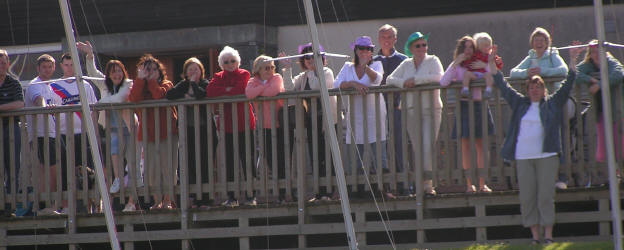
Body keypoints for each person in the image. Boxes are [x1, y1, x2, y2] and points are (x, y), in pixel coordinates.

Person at [492, 41, 582, 245]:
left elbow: (568, 84)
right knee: (527, 198)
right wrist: (491, 62)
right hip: (523, 157)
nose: (534, 90)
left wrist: (573, 60)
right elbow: (503, 86)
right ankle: (535, 237)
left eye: (538, 87)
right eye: (531, 87)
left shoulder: (551, 104)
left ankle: (548, 235)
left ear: (543, 90)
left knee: (545, 196)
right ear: (527, 89)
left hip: (547, 156)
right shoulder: (520, 103)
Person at [77, 41, 140, 212]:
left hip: (129, 129)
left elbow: (119, 99)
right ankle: (112, 200)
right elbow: (92, 72)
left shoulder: (128, 84)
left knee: (132, 164)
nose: (117, 74)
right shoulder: (104, 85)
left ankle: (131, 203)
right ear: (109, 75)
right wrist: (90, 55)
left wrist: (99, 103)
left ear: (123, 72)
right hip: (112, 130)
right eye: (113, 72)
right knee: (112, 160)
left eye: (119, 71)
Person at [386, 32, 443, 196]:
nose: (422, 48)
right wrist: (404, 82)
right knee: (418, 149)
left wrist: (415, 80)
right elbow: (390, 79)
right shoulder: (406, 64)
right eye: (418, 45)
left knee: (427, 147)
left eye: (424, 45)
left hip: (431, 110)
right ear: (411, 48)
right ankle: (422, 186)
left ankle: (428, 186)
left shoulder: (433, 60)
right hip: (411, 110)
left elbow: (439, 77)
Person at [335, 36, 389, 196]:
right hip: (355, 116)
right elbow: (337, 84)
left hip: (375, 115)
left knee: (379, 152)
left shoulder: (377, 64)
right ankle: (356, 191)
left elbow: (377, 80)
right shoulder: (347, 67)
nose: (365, 51)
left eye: (368, 49)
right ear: (356, 50)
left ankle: (382, 190)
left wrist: (366, 67)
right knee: (355, 154)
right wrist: (353, 84)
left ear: (372, 52)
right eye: (361, 48)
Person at [440, 36, 495, 193]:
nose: (468, 50)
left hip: (480, 104)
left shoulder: (480, 60)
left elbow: (493, 73)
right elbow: (443, 82)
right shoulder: (457, 65)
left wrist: (485, 63)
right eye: (465, 47)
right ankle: (469, 184)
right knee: (465, 147)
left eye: (471, 47)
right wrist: (456, 62)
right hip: (464, 106)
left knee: (482, 146)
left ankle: (483, 184)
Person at [206, 46, 256, 206]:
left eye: (233, 61)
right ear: (221, 64)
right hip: (226, 126)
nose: (230, 64)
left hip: (245, 124)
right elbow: (211, 91)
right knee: (229, 163)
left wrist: (225, 91)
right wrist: (229, 90)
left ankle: (250, 196)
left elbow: (242, 90)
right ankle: (232, 197)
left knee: (248, 160)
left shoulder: (244, 73)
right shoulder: (218, 76)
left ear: (238, 62)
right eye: (226, 62)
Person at [128, 54, 178, 210]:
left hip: (167, 132)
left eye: (153, 69)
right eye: (147, 69)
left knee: (168, 167)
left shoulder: (167, 84)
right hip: (148, 134)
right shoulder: (140, 86)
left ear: (159, 70)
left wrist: (150, 80)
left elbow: (158, 95)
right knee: (151, 170)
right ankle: (157, 201)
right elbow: (133, 98)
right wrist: (140, 79)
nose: (150, 71)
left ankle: (168, 201)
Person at [166, 57, 216, 208]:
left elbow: (202, 94)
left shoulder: (205, 83)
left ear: (201, 71)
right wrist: (184, 95)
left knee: (205, 163)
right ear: (185, 73)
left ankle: (206, 199)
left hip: (205, 130)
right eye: (190, 69)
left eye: (196, 69)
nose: (193, 72)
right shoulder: (183, 84)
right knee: (190, 163)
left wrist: (194, 84)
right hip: (188, 130)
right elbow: (170, 95)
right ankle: (194, 197)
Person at [51, 54, 98, 196]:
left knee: (88, 170)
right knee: (66, 170)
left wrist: (94, 133)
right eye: (66, 65)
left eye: (72, 65)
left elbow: (94, 111)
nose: (69, 68)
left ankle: (90, 202)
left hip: (84, 134)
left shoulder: (85, 85)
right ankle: (68, 204)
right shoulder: (54, 86)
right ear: (61, 66)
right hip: (63, 135)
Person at [25, 54, 64, 215]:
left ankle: (51, 205)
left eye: (50, 67)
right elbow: (38, 100)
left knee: (51, 168)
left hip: (54, 132)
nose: (47, 70)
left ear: (54, 68)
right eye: (44, 67)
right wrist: (43, 107)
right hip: (41, 133)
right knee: (47, 169)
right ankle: (45, 206)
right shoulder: (35, 84)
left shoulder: (51, 86)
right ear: (38, 68)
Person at [373, 24, 408, 197]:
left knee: (400, 145)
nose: (386, 41)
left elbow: (407, 81)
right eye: (383, 37)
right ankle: (384, 188)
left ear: (395, 39)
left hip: (397, 108)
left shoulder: (403, 59)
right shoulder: (372, 61)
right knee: (381, 146)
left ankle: (404, 186)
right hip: (377, 110)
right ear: (378, 40)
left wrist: (400, 103)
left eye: (389, 37)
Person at [576, 40, 624, 165]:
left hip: (617, 110)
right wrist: (590, 79)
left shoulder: (611, 62)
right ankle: (609, 176)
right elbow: (575, 73)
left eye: (598, 52)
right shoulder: (589, 64)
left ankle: (619, 175)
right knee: (603, 149)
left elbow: (619, 73)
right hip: (601, 111)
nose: (596, 55)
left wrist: (600, 85)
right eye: (593, 52)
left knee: (620, 144)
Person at [245, 55, 286, 202]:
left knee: (282, 159)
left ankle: (284, 194)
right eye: (266, 68)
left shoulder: (277, 78)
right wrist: (264, 87)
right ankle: (278, 193)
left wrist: (260, 90)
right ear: (258, 69)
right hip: (263, 128)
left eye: (272, 67)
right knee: (270, 160)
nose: (270, 70)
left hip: (280, 125)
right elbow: (249, 94)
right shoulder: (252, 81)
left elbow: (273, 91)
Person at [0, 50, 24, 214]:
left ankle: (10, 205)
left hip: (10, 127)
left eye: (3, 63)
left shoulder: (13, 82)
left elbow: (20, 104)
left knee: (12, 166)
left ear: (8, 64)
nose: (1, 66)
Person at [460, 32, 503, 99]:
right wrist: (466, 63)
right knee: (467, 74)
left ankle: (488, 90)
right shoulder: (475, 55)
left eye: (489, 45)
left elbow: (496, 69)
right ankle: (465, 89)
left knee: (489, 76)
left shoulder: (491, 56)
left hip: (484, 74)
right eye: (485, 46)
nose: (487, 47)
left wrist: (498, 63)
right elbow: (469, 61)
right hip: (474, 73)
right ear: (478, 46)